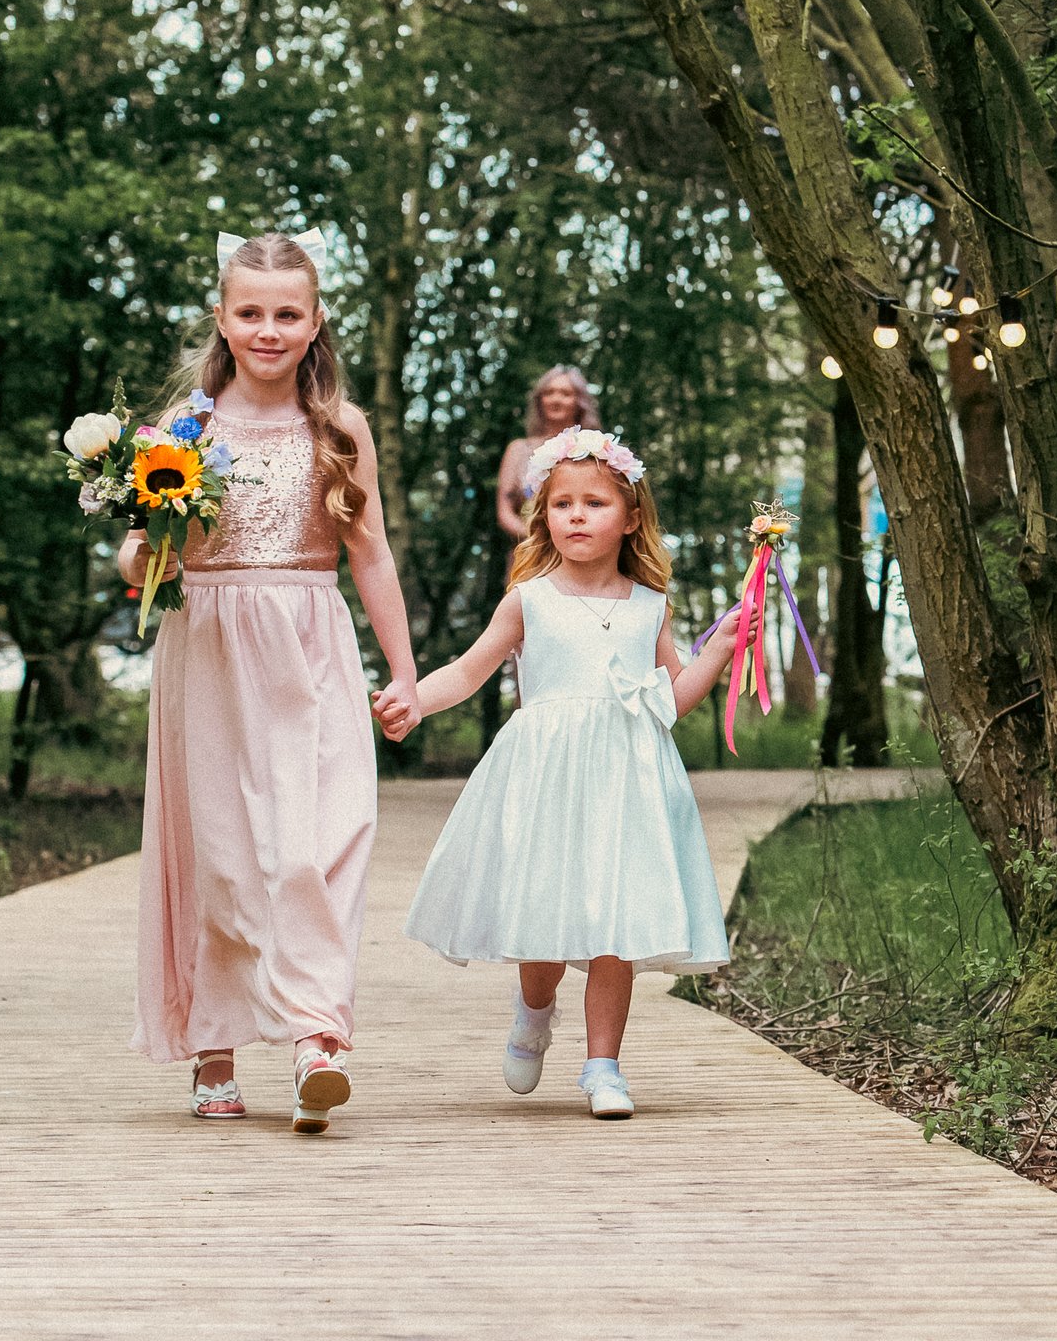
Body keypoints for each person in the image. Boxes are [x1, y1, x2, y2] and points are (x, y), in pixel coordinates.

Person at [123, 230, 419, 1134]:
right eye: (249, 312)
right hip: (208, 644)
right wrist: (143, 552)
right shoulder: (186, 428)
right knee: (218, 851)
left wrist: (404, 670)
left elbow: (368, 556)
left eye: (287, 314)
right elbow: (140, 561)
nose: (267, 329)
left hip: (311, 643)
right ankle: (214, 1044)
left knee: (318, 841)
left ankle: (314, 1039)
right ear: (222, 317)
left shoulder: (340, 428)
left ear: (316, 319)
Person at [379, 426, 738, 1119]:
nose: (577, 515)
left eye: (595, 503)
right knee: (545, 912)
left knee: (615, 925)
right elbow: (469, 669)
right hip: (546, 777)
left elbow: (670, 703)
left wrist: (719, 648)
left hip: (628, 780)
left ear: (631, 517)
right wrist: (413, 702)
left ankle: (603, 1065)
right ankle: (534, 1010)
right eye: (562, 503)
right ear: (542, 515)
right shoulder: (530, 598)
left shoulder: (648, 605)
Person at [495, 367, 599, 540]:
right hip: (530, 551)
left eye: (565, 393)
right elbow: (505, 512)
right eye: (549, 393)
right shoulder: (518, 449)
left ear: (580, 401)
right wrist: (540, 540)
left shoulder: (594, 448)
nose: (555, 399)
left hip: (583, 548)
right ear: (539, 400)